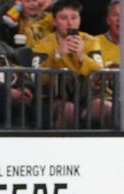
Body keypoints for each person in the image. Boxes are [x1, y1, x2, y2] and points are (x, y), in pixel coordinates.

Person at [32, 0, 104, 128]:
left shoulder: (91, 42)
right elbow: (37, 78)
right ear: (54, 21)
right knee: (68, 109)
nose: (70, 23)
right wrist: (57, 55)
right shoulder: (43, 44)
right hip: (52, 98)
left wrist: (82, 56)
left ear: (80, 19)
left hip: (85, 98)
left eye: (74, 17)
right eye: (64, 18)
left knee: (108, 108)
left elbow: (100, 74)